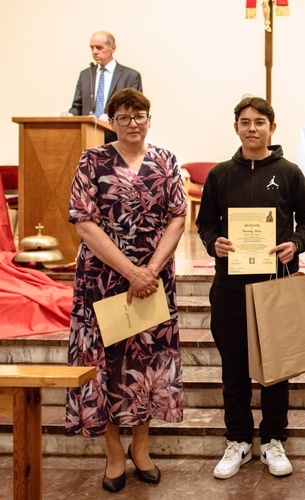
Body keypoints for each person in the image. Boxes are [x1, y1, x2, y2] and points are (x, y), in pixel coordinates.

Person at [66, 88, 186, 493]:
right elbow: (84, 223)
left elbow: (178, 218)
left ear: (149, 118)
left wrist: (149, 270)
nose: (133, 123)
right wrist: (131, 271)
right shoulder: (92, 160)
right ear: (111, 120)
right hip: (102, 278)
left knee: (148, 360)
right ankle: (113, 453)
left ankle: (141, 447)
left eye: (140, 115)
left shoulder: (165, 159)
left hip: (153, 279)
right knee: (103, 362)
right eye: (124, 116)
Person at [197, 96, 305, 480]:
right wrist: (213, 242)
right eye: (245, 122)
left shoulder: (290, 172)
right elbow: (205, 224)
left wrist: (295, 244)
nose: (252, 128)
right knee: (233, 369)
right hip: (230, 286)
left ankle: (272, 441)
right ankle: (238, 440)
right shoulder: (219, 175)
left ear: (272, 128)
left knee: (275, 368)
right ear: (236, 127)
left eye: (260, 122)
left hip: (274, 286)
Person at [64, 31, 143, 142]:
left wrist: (112, 117)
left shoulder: (130, 76)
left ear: (113, 48)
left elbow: (134, 110)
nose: (94, 52)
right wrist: (70, 115)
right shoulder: (86, 75)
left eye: (99, 48)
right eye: (92, 48)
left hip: (117, 139)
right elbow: (78, 106)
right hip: (87, 137)